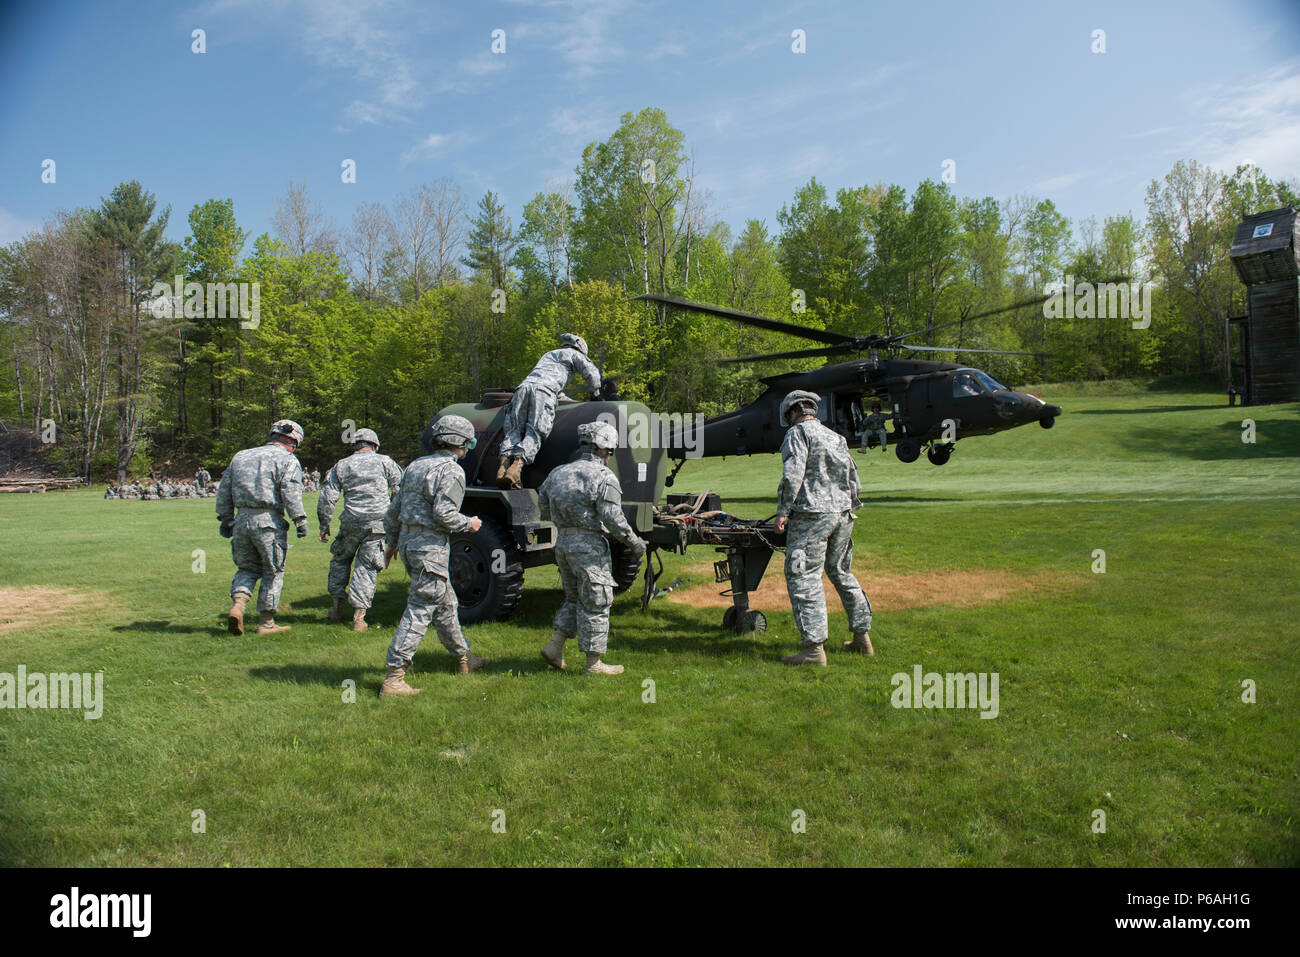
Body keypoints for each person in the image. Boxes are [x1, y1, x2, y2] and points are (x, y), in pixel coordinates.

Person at [380, 415, 484, 696]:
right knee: (420, 609)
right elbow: (444, 514)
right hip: (430, 549)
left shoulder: (416, 465)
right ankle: (394, 676)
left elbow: (393, 511)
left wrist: (391, 545)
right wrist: (470, 524)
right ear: (460, 442)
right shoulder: (451, 471)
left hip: (409, 544)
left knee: (446, 604)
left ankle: (464, 658)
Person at [536, 420, 647, 676]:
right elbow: (613, 518)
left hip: (562, 544)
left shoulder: (558, 472)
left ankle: (555, 647)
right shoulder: (603, 476)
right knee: (597, 601)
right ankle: (593, 664)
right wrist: (634, 542)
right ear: (605, 449)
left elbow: (543, 505)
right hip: (588, 547)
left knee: (574, 598)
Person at [773, 390, 874, 665]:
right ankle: (862, 638)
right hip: (842, 513)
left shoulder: (797, 434)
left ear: (792, 412)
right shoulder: (835, 437)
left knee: (804, 576)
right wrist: (847, 506)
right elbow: (853, 477)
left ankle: (813, 649)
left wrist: (782, 512)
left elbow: (792, 475)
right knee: (840, 571)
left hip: (812, 515)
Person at [216, 419, 309, 636]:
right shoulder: (288, 460)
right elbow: (290, 492)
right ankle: (266, 622)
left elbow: (224, 490)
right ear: (293, 440)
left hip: (241, 520)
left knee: (246, 568)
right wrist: (300, 520)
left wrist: (226, 518)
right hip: (269, 521)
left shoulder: (241, 456)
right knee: (273, 570)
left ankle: (238, 606)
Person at [318, 428, 403, 632]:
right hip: (378, 523)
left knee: (340, 560)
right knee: (367, 567)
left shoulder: (342, 465)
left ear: (354, 445)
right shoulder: (386, 462)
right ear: (374, 445)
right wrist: (397, 522)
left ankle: (336, 608)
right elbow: (400, 491)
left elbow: (327, 496)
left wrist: (324, 524)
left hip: (350, 522)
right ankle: (359, 618)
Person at [497, 333, 603, 490]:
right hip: (544, 392)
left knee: (514, 430)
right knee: (535, 431)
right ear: (581, 349)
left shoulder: (549, 355)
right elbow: (593, 375)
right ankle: (515, 469)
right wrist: (595, 396)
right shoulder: (575, 354)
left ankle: (502, 468)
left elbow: (553, 386)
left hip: (523, 389)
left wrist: (572, 401)